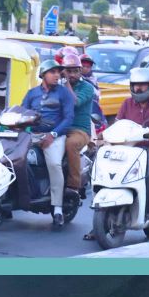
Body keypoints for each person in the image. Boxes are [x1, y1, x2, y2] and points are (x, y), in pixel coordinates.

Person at [20, 59, 74, 229]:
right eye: (53, 72)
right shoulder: (32, 93)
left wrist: (53, 134)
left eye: (58, 72)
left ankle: (57, 208)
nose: (57, 75)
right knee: (12, 159)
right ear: (43, 74)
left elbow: (69, 118)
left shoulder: (63, 93)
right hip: (32, 134)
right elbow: (22, 112)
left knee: (54, 164)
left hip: (55, 136)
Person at [113, 66, 149, 240]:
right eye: (135, 85)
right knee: (109, 176)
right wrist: (105, 135)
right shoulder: (127, 103)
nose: (138, 89)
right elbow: (117, 124)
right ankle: (102, 219)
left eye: (142, 85)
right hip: (129, 149)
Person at [60, 48, 104, 201]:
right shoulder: (57, 84)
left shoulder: (87, 87)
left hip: (79, 130)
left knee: (71, 144)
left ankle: (73, 185)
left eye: (74, 71)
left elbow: (75, 102)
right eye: (67, 71)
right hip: (58, 128)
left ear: (80, 71)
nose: (71, 75)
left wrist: (65, 83)